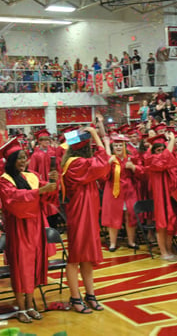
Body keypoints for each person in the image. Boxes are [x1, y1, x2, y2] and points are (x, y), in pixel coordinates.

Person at [0, 138, 58, 323]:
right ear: (11, 161)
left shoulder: (31, 176)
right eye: (20, 158)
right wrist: (39, 192)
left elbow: (45, 197)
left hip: (35, 226)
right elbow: (13, 199)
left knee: (32, 266)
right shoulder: (4, 180)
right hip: (18, 228)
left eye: (25, 157)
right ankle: (20, 308)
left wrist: (52, 184)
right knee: (20, 267)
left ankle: (30, 305)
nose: (24, 161)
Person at [61, 127, 110, 313]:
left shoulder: (79, 162)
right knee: (75, 257)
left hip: (87, 213)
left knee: (87, 258)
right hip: (79, 214)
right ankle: (75, 297)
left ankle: (90, 295)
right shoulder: (76, 164)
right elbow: (103, 163)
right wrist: (97, 136)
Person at [144, 133, 177, 261]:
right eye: (158, 150)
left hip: (170, 197)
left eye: (162, 149)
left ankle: (169, 249)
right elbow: (164, 159)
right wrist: (172, 140)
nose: (161, 152)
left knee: (171, 223)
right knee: (162, 224)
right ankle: (163, 252)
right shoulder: (151, 161)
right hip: (160, 197)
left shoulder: (169, 162)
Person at [102, 134, 143, 251]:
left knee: (130, 216)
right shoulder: (110, 159)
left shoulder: (130, 158)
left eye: (121, 145)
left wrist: (134, 167)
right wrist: (108, 165)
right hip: (113, 192)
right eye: (116, 145)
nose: (119, 147)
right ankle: (113, 244)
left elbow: (141, 173)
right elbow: (103, 177)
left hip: (129, 191)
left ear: (125, 146)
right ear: (113, 147)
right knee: (113, 217)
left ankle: (131, 242)